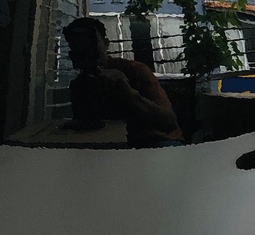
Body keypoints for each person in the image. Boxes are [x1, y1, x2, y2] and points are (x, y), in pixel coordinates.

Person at [62, 17, 184, 147]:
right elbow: (88, 127)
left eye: (91, 45)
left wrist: (127, 92)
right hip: (118, 145)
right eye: (77, 48)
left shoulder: (135, 70)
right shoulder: (80, 85)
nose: (86, 54)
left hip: (158, 141)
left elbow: (169, 122)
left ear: (106, 44)